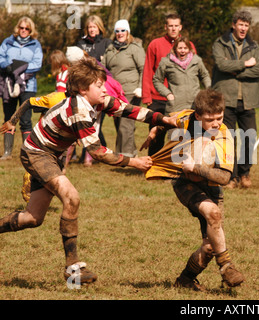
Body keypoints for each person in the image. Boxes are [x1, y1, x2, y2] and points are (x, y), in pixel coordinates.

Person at [0, 57, 176, 285]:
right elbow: (99, 152)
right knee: (71, 197)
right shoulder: (79, 111)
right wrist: (135, 163)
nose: (105, 89)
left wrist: (165, 119)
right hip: (37, 153)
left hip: (51, 154)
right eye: (99, 85)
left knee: (32, 218)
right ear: (83, 90)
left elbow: (132, 111)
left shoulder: (97, 101)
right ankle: (72, 269)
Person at [142, 88, 245, 291]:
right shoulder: (187, 118)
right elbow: (167, 119)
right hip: (183, 181)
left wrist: (196, 167)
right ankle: (226, 266)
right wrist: (156, 129)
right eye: (210, 119)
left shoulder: (224, 137)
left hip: (212, 186)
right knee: (213, 213)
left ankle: (185, 280)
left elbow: (225, 177)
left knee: (209, 246)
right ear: (197, 115)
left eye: (220, 118)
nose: (216, 124)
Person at [211, 9, 259, 189]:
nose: (243, 28)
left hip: (248, 100)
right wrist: (244, 63)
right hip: (226, 99)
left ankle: (245, 173)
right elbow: (221, 64)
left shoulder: (254, 46)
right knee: (228, 139)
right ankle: (230, 176)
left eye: (246, 25)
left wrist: (235, 70)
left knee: (249, 137)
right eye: (240, 24)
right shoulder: (220, 43)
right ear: (234, 25)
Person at [142, 13, 196, 156]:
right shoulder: (155, 44)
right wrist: (147, 97)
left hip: (181, 100)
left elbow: (194, 72)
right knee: (156, 134)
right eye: (170, 26)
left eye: (176, 26)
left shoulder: (189, 46)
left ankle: (177, 167)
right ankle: (153, 165)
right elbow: (148, 70)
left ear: (180, 27)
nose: (173, 29)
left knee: (180, 135)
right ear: (166, 27)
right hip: (158, 98)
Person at [0, 16, 42, 160]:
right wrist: (8, 66)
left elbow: (37, 63)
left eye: (27, 28)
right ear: (18, 28)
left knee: (25, 119)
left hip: (28, 85)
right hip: (9, 84)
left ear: (31, 30)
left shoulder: (35, 45)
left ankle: (27, 152)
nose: (23, 31)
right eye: (21, 28)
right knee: (9, 117)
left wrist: (19, 69)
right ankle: (7, 152)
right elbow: (1, 57)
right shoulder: (8, 42)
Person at [103, 19, 145, 158]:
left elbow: (143, 69)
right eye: (117, 31)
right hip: (114, 92)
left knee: (125, 123)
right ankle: (132, 153)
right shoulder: (110, 49)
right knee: (119, 122)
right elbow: (104, 68)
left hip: (130, 91)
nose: (120, 33)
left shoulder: (135, 48)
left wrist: (140, 88)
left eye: (123, 30)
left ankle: (124, 157)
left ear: (128, 32)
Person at [153, 35, 211, 116]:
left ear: (189, 49)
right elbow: (157, 80)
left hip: (195, 105)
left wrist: (208, 90)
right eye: (180, 48)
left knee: (196, 128)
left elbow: (205, 75)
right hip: (175, 107)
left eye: (185, 48)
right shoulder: (166, 62)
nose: (183, 51)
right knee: (174, 129)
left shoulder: (196, 60)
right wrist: (168, 94)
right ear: (175, 49)